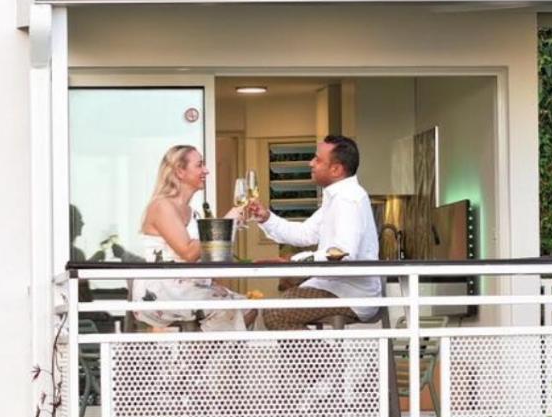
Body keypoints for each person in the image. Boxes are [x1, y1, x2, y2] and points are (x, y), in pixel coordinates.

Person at [246, 135, 382, 329]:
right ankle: (322, 359)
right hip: (332, 286)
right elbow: (305, 233)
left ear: (336, 169)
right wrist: (266, 218)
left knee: (276, 313)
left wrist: (294, 261)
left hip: (351, 294)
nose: (311, 163)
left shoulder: (348, 199)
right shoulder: (336, 197)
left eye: (317, 159)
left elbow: (341, 254)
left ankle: (326, 361)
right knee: (279, 306)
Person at [134, 144, 247, 331]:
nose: (206, 170)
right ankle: (195, 360)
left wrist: (230, 230)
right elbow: (188, 252)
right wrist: (226, 222)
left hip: (191, 286)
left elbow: (206, 255)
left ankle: (206, 358)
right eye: (200, 165)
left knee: (251, 308)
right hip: (164, 290)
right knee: (228, 309)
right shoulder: (162, 206)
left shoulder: (193, 213)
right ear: (179, 171)